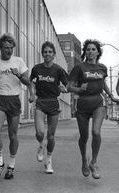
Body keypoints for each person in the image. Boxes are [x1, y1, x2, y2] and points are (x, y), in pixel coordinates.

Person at [67, 39, 119, 179]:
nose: (90, 52)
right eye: (88, 49)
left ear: (98, 52)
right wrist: (79, 88)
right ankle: (84, 160)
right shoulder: (79, 67)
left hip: (98, 102)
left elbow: (102, 84)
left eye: (93, 49)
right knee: (84, 137)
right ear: (85, 52)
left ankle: (94, 163)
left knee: (96, 132)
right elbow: (69, 87)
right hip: (83, 104)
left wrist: (110, 96)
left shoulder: (102, 68)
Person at [0, 33, 30, 180]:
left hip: (14, 101)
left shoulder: (19, 61)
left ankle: (11, 165)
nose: (9, 51)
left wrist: (19, 75)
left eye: (11, 48)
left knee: (13, 135)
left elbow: (28, 82)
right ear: (0, 48)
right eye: (6, 48)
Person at [29, 41, 68, 174]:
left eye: (50, 52)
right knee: (40, 133)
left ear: (54, 54)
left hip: (53, 103)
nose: (47, 54)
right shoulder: (36, 69)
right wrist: (32, 94)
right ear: (42, 53)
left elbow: (67, 85)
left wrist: (64, 88)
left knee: (51, 136)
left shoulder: (58, 70)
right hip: (40, 102)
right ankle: (41, 145)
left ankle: (49, 161)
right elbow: (30, 82)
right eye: (45, 52)